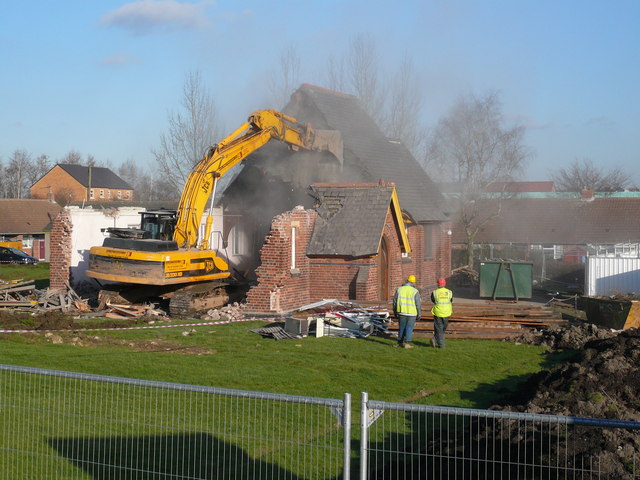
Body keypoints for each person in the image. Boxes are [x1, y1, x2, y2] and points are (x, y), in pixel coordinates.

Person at [392, 275, 421, 349]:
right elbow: (418, 304)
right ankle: (407, 343)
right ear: (413, 282)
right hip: (412, 313)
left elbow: (394, 302)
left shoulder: (399, 289)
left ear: (407, 280)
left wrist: (395, 311)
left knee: (401, 328)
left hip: (401, 312)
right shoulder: (415, 291)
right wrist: (419, 313)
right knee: (409, 328)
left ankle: (399, 342)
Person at [430, 277, 453, 348]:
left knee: (439, 329)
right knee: (442, 329)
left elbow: (433, 300)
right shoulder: (449, 292)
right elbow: (451, 300)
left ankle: (434, 339)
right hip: (446, 312)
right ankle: (442, 345)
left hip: (438, 313)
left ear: (438, 284)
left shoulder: (434, 292)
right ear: (445, 284)